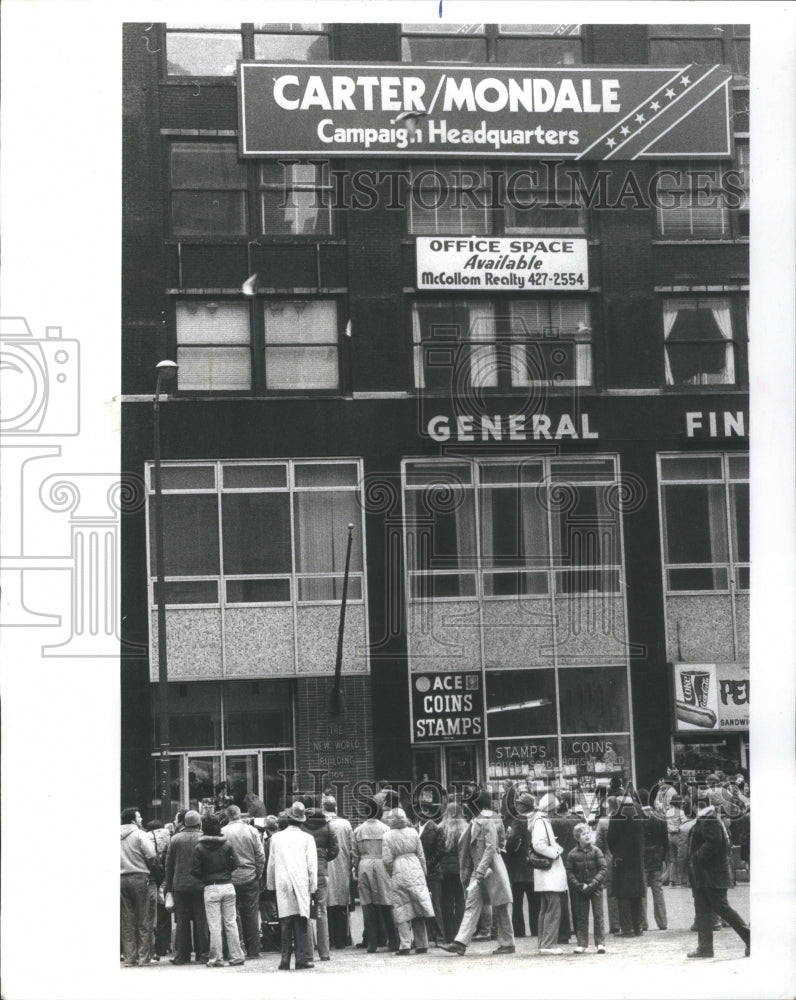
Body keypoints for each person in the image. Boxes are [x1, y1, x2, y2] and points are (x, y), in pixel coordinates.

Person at [440, 788, 515, 957]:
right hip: (481, 869)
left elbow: (490, 847)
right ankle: (460, 942)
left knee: (500, 905)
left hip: (489, 869)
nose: (465, 807)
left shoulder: (485, 821)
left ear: (475, 805)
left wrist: (479, 870)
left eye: (468, 803)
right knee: (472, 904)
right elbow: (498, 843)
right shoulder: (480, 820)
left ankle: (507, 943)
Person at [686, 800, 750, 959]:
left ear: (696, 806)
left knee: (721, 908)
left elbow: (713, 843)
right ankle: (705, 947)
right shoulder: (709, 818)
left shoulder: (710, 819)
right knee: (704, 911)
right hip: (708, 876)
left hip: (711, 876)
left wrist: (696, 857)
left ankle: (750, 938)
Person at [266, 800, 319, 970]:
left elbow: (271, 864)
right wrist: (313, 887)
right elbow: (312, 866)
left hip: (282, 881)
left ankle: (285, 959)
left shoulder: (276, 838)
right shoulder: (308, 838)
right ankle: (302, 958)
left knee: (285, 920)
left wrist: (270, 885)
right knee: (301, 920)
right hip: (300, 881)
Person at [191, 815, 246, 967]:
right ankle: (236, 956)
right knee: (231, 922)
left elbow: (195, 870)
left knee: (214, 925)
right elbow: (236, 863)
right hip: (228, 885)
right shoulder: (227, 844)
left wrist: (205, 876)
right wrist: (226, 871)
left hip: (210, 886)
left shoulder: (199, 847)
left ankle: (216, 958)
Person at [382, 807, 436, 954]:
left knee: (402, 908)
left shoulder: (387, 836)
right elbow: (421, 855)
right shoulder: (413, 832)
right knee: (418, 906)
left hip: (398, 868)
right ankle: (422, 943)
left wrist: (391, 873)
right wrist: (423, 872)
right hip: (415, 867)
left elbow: (386, 860)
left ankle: (405, 944)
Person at [164, 809, 209, 965]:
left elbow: (168, 866)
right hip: (200, 885)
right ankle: (203, 954)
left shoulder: (175, 839)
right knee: (201, 920)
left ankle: (182, 955)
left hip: (180, 885)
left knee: (182, 921)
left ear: (184, 823)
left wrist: (168, 888)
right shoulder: (203, 838)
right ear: (199, 823)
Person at [352, 796, 397, 953]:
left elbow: (355, 854)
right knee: (386, 901)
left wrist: (356, 867)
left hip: (364, 865)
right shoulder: (386, 829)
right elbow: (390, 850)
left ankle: (372, 942)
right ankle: (393, 939)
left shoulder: (358, 830)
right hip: (382, 864)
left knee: (367, 904)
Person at [223, 804, 266, 959]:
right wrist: (258, 873)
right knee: (251, 914)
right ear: (239, 814)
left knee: (230, 916)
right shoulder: (251, 831)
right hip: (249, 876)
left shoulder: (223, 832)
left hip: (230, 878)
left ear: (228, 815)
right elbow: (260, 855)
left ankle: (232, 950)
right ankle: (253, 950)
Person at [528, 792, 568, 955]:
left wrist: (555, 847)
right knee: (553, 909)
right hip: (549, 872)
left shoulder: (539, 820)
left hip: (545, 874)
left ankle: (544, 943)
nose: (556, 811)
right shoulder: (541, 822)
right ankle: (548, 944)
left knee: (546, 909)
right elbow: (538, 844)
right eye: (555, 808)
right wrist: (555, 852)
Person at [302, 795, 339, 962]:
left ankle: (309, 950)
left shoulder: (301, 826)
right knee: (322, 911)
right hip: (322, 871)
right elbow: (335, 850)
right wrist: (323, 859)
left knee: (306, 913)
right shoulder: (327, 826)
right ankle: (325, 952)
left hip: (305, 872)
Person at [120, 807, 157, 967]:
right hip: (140, 877)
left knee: (127, 919)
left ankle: (129, 957)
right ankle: (143, 957)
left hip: (121, 878)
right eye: (139, 817)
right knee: (143, 918)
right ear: (134, 820)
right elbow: (151, 854)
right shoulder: (140, 834)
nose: (141, 819)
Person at [606, 795, 645, 937]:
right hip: (637, 860)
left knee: (623, 895)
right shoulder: (639, 814)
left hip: (621, 859)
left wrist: (616, 852)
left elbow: (610, 839)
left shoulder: (616, 816)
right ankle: (638, 927)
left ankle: (627, 928)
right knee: (637, 894)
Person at [565, 823, 607, 954]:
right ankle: (582, 943)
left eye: (588, 833)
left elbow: (603, 869)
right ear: (578, 837)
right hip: (581, 889)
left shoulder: (596, 851)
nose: (587, 835)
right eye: (583, 834)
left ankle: (600, 943)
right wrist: (578, 884)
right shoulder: (572, 854)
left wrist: (594, 883)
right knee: (581, 916)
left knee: (598, 915)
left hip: (596, 888)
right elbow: (569, 872)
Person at [505, 791, 538, 939]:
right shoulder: (537, 819)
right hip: (533, 866)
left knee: (517, 903)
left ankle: (519, 931)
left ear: (524, 806)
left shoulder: (519, 819)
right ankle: (536, 929)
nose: (517, 805)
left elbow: (513, 841)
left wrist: (508, 843)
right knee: (534, 901)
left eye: (519, 803)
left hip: (518, 867)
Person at [323, 796, 354, 949]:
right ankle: (342, 939)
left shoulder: (320, 824)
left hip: (325, 866)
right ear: (335, 807)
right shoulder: (345, 824)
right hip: (342, 865)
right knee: (341, 902)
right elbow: (351, 846)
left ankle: (329, 939)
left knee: (326, 902)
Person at [434, 801, 467, 945]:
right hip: (461, 867)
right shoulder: (465, 828)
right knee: (460, 900)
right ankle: (461, 933)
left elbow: (439, 850)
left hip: (445, 870)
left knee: (446, 901)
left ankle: (449, 933)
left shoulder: (441, 828)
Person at [638, 788, 668, 931]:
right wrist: (665, 857)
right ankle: (662, 922)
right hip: (657, 857)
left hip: (642, 858)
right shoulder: (659, 817)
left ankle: (643, 923)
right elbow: (665, 839)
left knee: (642, 892)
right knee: (658, 890)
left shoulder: (637, 818)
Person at [416, 809, 445, 946]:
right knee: (420, 905)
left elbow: (440, 850)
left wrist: (428, 864)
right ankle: (425, 937)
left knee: (435, 905)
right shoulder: (414, 828)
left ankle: (439, 937)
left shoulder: (436, 829)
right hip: (418, 872)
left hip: (432, 872)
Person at [144, 819, 172, 961]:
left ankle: (151, 948)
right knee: (164, 915)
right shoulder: (168, 836)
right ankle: (162, 947)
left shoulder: (144, 838)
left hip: (151, 878)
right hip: (164, 879)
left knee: (150, 916)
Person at [594, 796, 621, 934]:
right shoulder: (625, 819)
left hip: (609, 859)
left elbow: (598, 843)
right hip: (623, 859)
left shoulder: (603, 822)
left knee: (611, 892)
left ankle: (615, 925)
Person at [664, 794, 688, 886]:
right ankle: (681, 880)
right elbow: (684, 823)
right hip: (679, 835)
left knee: (672, 859)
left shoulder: (668, 811)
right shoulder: (680, 812)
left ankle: (671, 881)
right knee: (682, 857)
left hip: (670, 836)